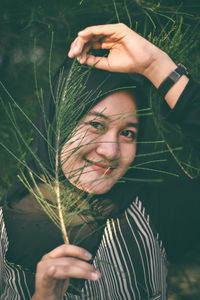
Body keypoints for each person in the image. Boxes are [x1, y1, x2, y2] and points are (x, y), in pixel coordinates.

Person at [0, 23, 199, 300]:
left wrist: (157, 67)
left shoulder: (157, 213)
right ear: (56, 125)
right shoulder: (3, 232)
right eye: (95, 124)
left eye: (128, 133)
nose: (110, 151)